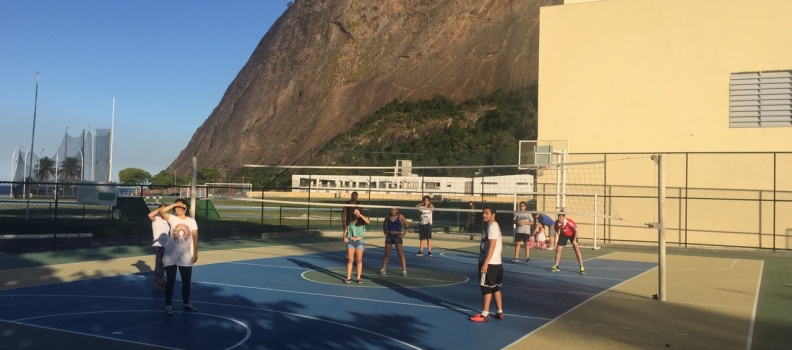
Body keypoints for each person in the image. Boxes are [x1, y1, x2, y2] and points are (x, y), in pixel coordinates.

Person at [159, 198, 199, 315]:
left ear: (185, 209)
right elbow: (162, 212)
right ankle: (168, 306)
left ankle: (186, 303)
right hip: (170, 254)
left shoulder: (191, 221)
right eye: (176, 207)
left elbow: (195, 237)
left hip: (185, 255)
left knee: (186, 281)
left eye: (181, 207)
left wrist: (195, 252)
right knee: (170, 280)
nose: (178, 209)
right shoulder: (172, 218)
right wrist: (174, 204)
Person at [469, 207, 504, 322]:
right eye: (483, 213)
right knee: (495, 287)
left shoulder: (493, 227)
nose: (484, 215)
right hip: (496, 262)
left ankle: (485, 314)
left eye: (486, 213)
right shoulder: (491, 226)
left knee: (486, 288)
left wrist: (485, 263)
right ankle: (499, 312)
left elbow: (492, 246)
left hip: (490, 263)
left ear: (493, 214)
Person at [343, 208, 370, 284]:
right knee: (350, 260)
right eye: (355, 211)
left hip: (359, 241)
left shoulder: (362, 222)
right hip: (351, 241)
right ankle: (348, 277)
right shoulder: (350, 222)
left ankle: (358, 277)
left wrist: (360, 215)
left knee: (359, 260)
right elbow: (345, 231)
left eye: (357, 211)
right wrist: (345, 237)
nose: (356, 213)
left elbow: (368, 222)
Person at [380, 207, 409, 277]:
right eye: (392, 210)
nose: (393, 211)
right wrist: (385, 231)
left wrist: (404, 234)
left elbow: (407, 224)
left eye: (395, 210)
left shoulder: (400, 216)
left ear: (397, 211)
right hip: (389, 236)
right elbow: (384, 223)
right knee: (387, 253)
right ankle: (383, 269)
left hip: (397, 236)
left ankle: (404, 270)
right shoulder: (388, 216)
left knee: (400, 254)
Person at [148, 203, 169, 291]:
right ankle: (156, 283)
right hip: (157, 246)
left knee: (164, 265)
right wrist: (160, 208)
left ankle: (160, 281)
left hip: (166, 246)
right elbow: (150, 215)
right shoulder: (155, 219)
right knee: (158, 264)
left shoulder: (168, 221)